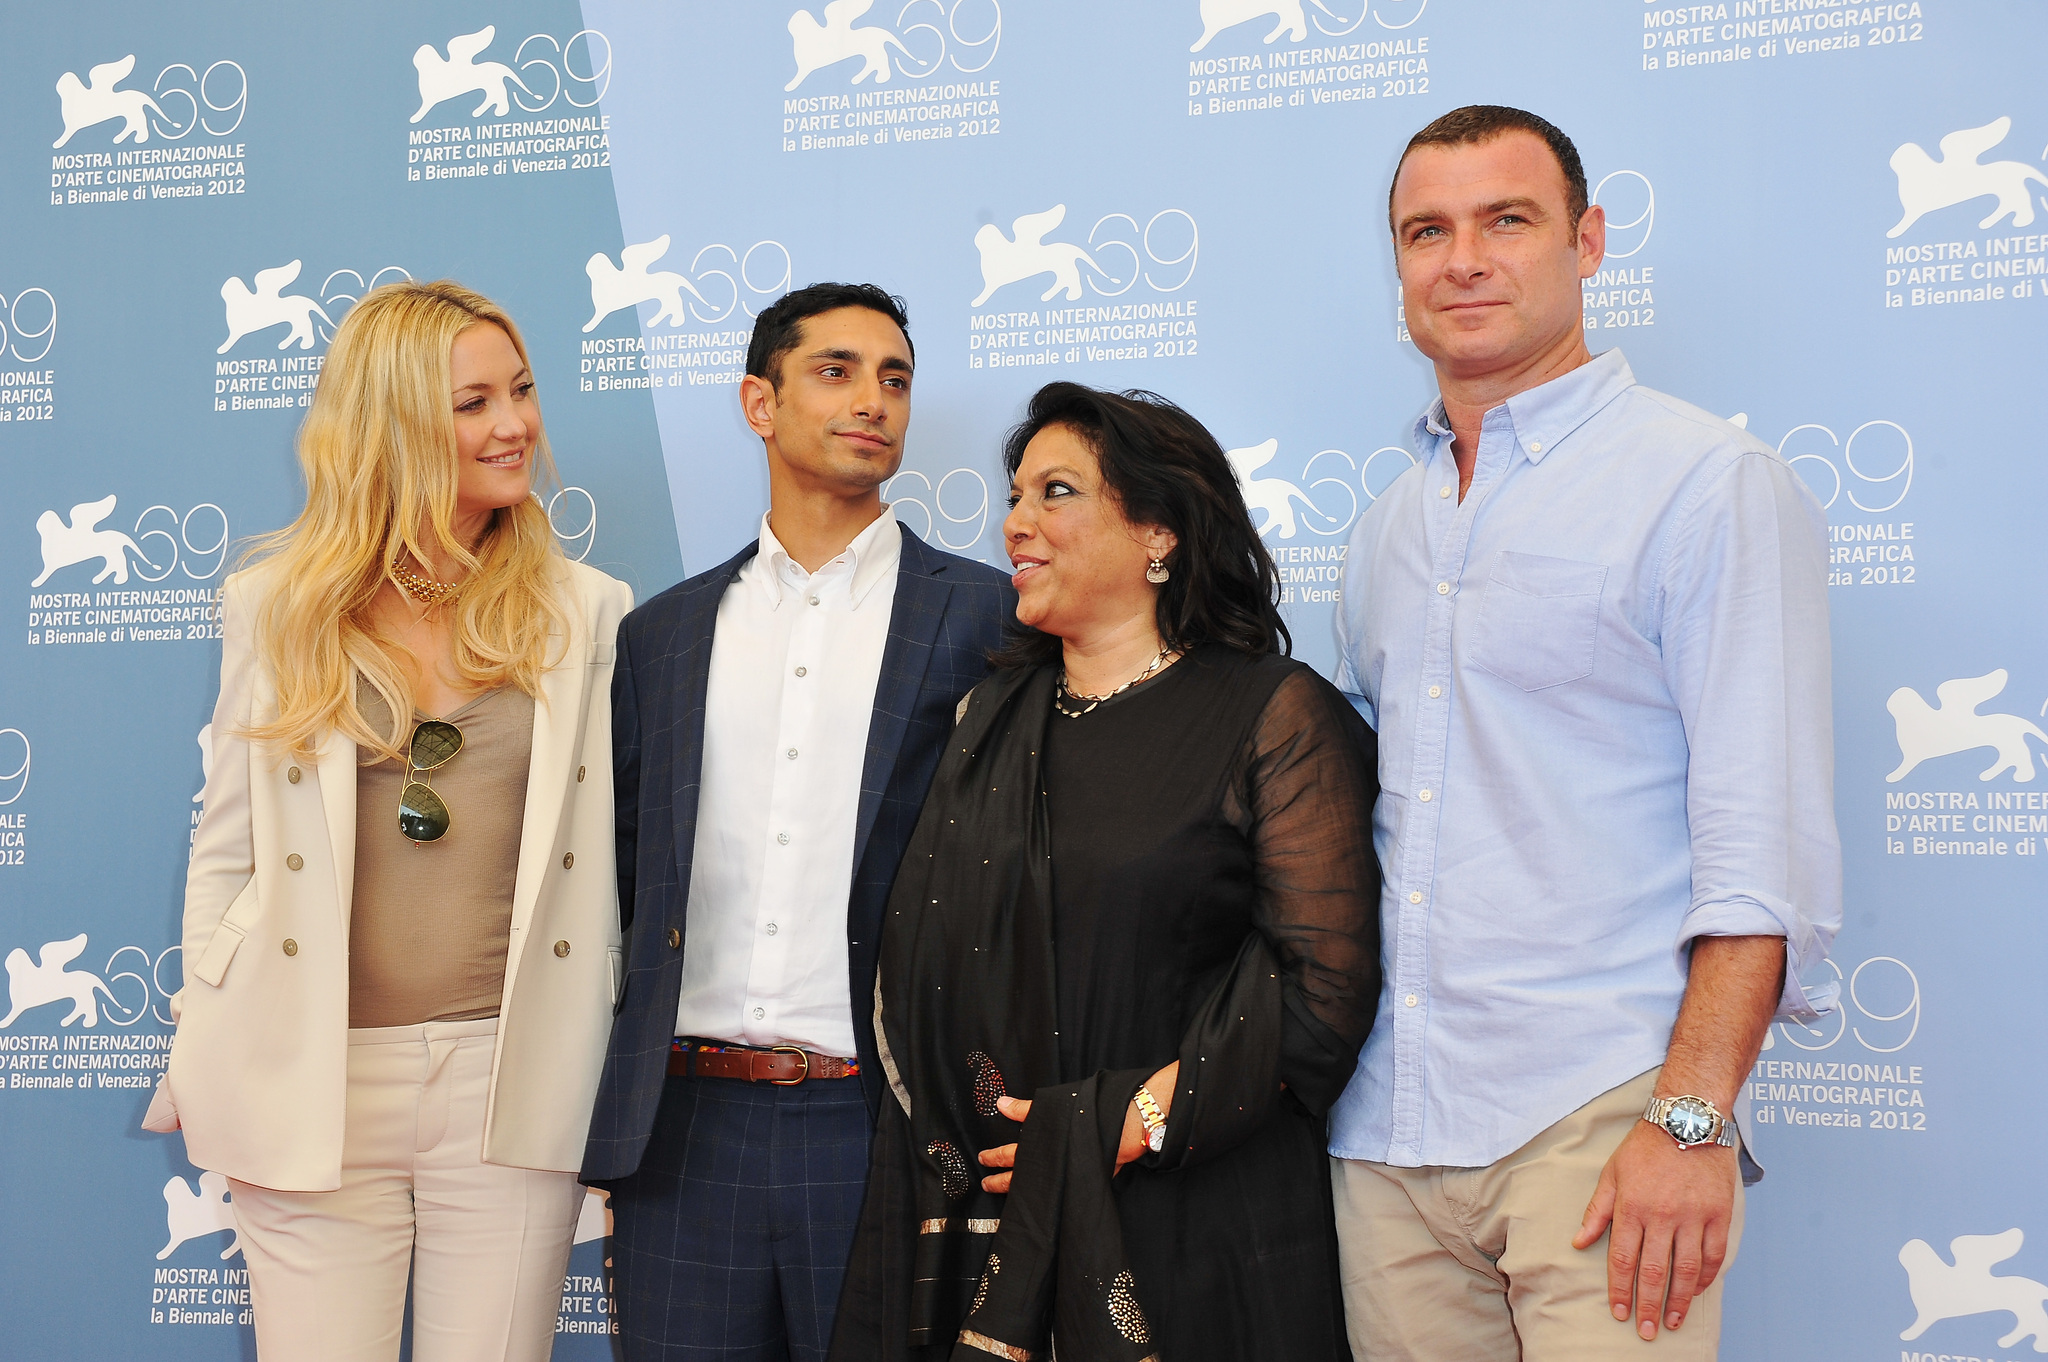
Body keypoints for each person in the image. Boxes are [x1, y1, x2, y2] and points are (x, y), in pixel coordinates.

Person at [1329, 105, 1841, 1361]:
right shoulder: (1385, 526)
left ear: (1587, 241)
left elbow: (1756, 838)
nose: (1463, 259)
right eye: (1425, 231)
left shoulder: (1704, 483)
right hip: (1382, 1133)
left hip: (1599, 1119)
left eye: (1507, 220)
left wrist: (1688, 1122)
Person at [830, 382, 1384, 1362]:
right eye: (1013, 497)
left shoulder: (1270, 715)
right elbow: (918, 975)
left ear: (1159, 531)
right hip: (988, 1210)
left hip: (1197, 1216)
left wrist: (1131, 1120)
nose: (1015, 524)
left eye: (1055, 493)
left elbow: (1323, 987)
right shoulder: (984, 725)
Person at [143, 280, 634, 1361]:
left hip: (514, 1083)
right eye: (472, 403)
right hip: (308, 1077)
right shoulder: (278, 609)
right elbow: (226, 844)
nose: (514, 424)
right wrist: (209, 1033)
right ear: (394, 422)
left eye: (522, 390)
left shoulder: (585, 608)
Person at [581, 282, 1015, 1360]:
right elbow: (628, 878)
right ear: (757, 403)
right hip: (682, 1131)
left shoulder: (988, 619)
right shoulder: (662, 637)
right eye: (836, 370)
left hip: (884, 1127)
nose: (873, 399)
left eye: (895, 378)